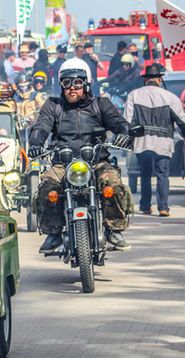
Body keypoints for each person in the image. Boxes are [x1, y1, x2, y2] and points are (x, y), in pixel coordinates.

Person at [28, 58, 133, 253]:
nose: (72, 88)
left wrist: (124, 133)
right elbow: (41, 127)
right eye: (67, 83)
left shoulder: (101, 104)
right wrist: (35, 143)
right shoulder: (53, 105)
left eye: (77, 82)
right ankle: (54, 232)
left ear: (86, 83)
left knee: (113, 185)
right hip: (63, 163)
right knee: (47, 188)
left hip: (96, 161)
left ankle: (113, 229)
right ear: (61, 85)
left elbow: (118, 122)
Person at [124, 63, 185, 217]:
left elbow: (127, 121)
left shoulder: (134, 95)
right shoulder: (170, 97)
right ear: (159, 79)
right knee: (162, 174)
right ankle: (163, 208)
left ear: (146, 80)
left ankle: (145, 206)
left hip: (142, 141)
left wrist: (128, 141)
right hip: (163, 143)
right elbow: (181, 121)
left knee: (145, 173)